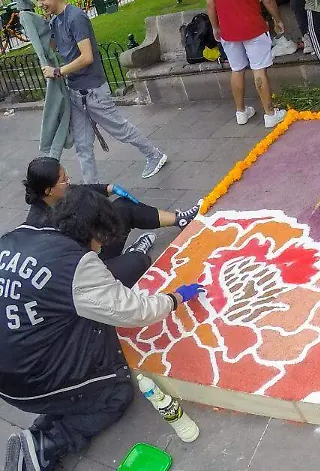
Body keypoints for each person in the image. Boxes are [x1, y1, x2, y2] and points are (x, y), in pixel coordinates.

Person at [0, 187, 204, 471]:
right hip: (31, 378)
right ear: (93, 231)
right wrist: (175, 298)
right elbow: (133, 311)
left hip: (11, 368)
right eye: (102, 239)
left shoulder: (17, 236)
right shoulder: (76, 265)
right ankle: (48, 444)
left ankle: (40, 430)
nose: (101, 248)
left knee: (83, 324)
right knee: (115, 393)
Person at [31, 0, 168, 183]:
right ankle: (91, 189)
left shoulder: (75, 17)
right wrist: (35, 26)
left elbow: (87, 57)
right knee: (83, 146)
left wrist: (58, 71)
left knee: (121, 130)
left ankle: (155, 155)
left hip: (93, 91)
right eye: (37, 0)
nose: (41, 4)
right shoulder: (55, 21)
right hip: (75, 92)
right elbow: (51, 47)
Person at [23, 157, 200, 287]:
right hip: (86, 272)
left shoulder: (61, 194)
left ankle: (181, 220)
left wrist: (109, 189)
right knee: (139, 261)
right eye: (64, 180)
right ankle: (133, 253)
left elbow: (80, 191)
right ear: (48, 190)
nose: (68, 182)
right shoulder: (41, 226)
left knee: (123, 207)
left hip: (95, 246)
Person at [205, 0, 288, 128]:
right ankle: (270, 114)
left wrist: (215, 27)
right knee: (259, 70)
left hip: (227, 29)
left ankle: (240, 112)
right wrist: (277, 20)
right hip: (253, 27)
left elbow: (210, 3)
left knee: (237, 69)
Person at [15, 0, 71, 159]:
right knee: (56, 107)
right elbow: (38, 46)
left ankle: (54, 152)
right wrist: (46, 66)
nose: (39, 3)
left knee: (60, 106)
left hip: (58, 64)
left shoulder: (39, 16)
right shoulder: (25, 16)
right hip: (52, 66)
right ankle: (52, 152)